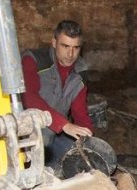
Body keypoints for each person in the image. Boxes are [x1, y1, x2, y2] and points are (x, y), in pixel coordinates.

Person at [21, 20, 93, 172]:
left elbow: (80, 112)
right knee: (35, 171)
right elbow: (30, 98)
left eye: (76, 48)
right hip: (27, 133)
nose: (71, 54)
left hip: (56, 134)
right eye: (65, 46)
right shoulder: (33, 60)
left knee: (79, 162)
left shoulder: (80, 72)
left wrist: (89, 141)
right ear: (54, 43)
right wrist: (64, 124)